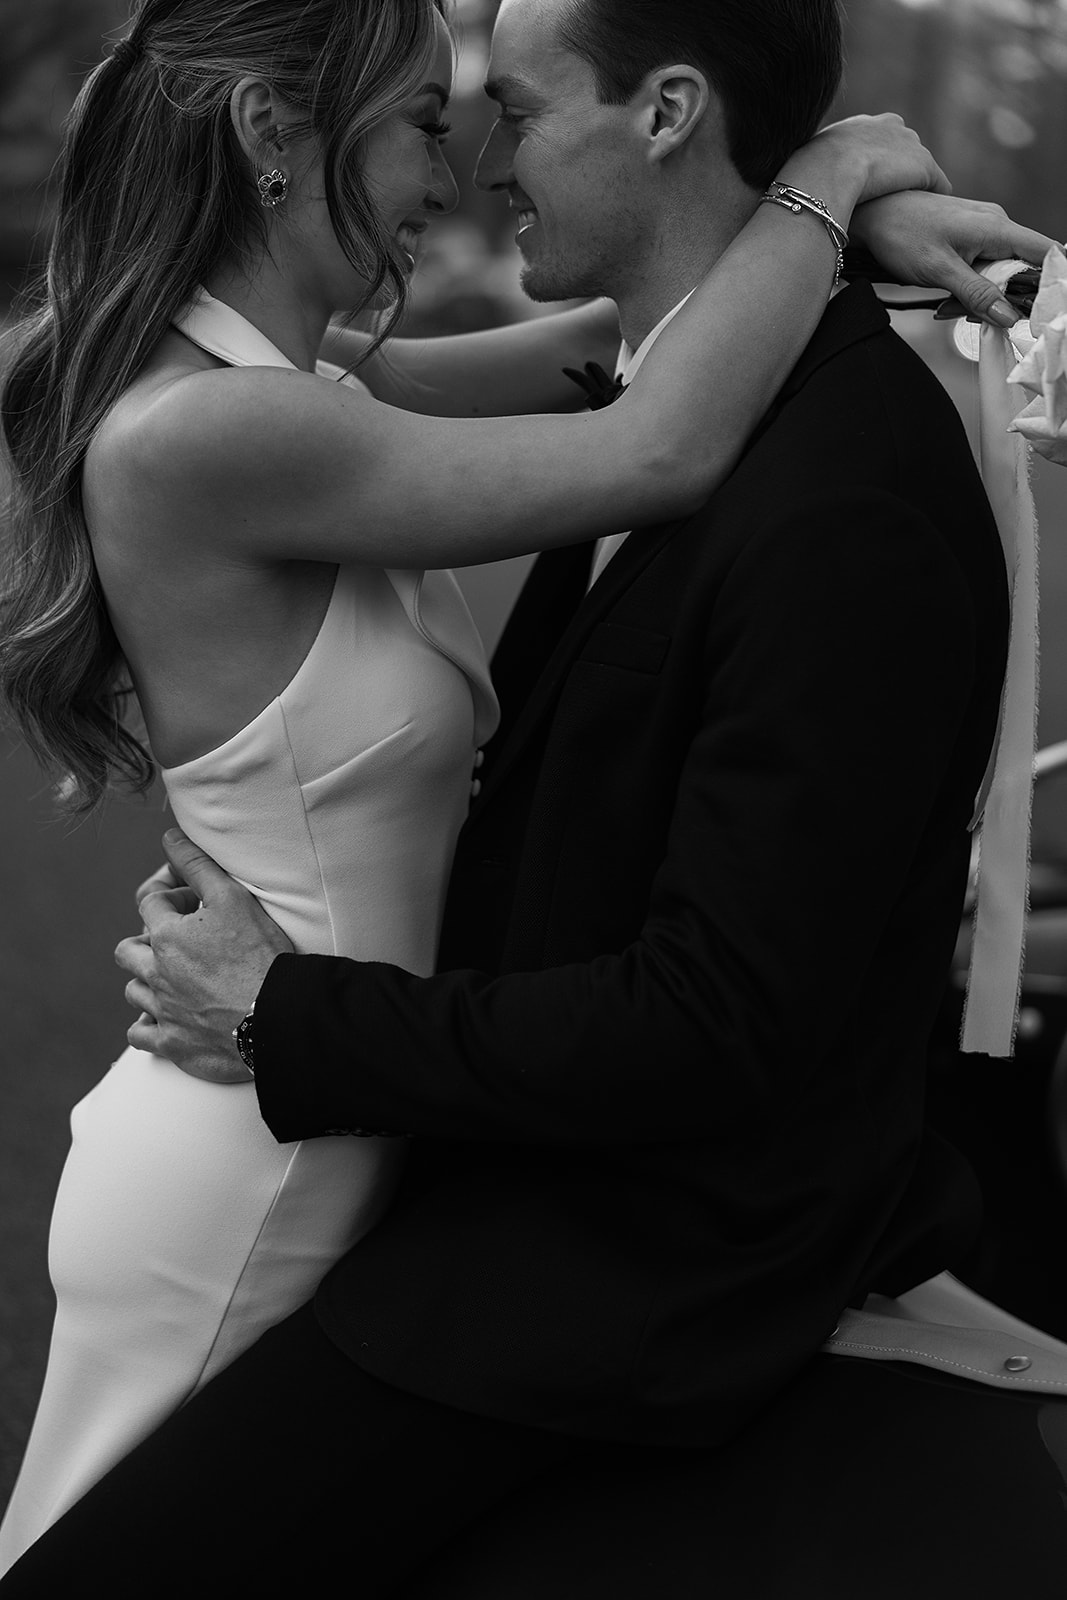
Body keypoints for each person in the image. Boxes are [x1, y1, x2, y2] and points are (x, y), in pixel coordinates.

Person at [0, 0, 1058, 1591]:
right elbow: (652, 438)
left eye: (489, 111)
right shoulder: (223, 430)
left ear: (668, 109)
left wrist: (827, 207)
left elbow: (624, 349)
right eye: (429, 118)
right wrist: (828, 172)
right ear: (278, 140)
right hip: (256, 1138)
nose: (467, 160)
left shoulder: (320, 391)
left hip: (369, 1119)